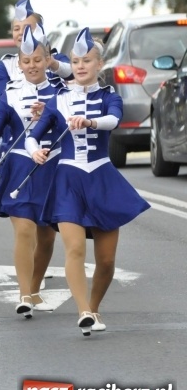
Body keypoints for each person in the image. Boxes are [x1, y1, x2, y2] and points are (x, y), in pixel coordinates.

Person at [26, 28, 150, 336]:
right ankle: (82, 311)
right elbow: (33, 134)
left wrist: (91, 122)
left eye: (87, 61)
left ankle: (94, 308)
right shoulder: (58, 100)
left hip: (102, 179)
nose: (80, 66)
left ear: (99, 65)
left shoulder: (111, 97)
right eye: (76, 61)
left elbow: (114, 121)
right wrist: (35, 151)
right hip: (68, 180)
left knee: (106, 261)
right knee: (75, 249)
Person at [0, 25, 63, 318]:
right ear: (19, 64)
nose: (32, 66)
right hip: (21, 165)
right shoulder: (11, 93)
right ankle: (24, 293)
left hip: (54, 166)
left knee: (47, 236)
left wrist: (51, 114)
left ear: (47, 59)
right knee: (24, 230)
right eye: (26, 61)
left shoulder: (61, 91)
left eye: (38, 59)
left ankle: (34, 287)